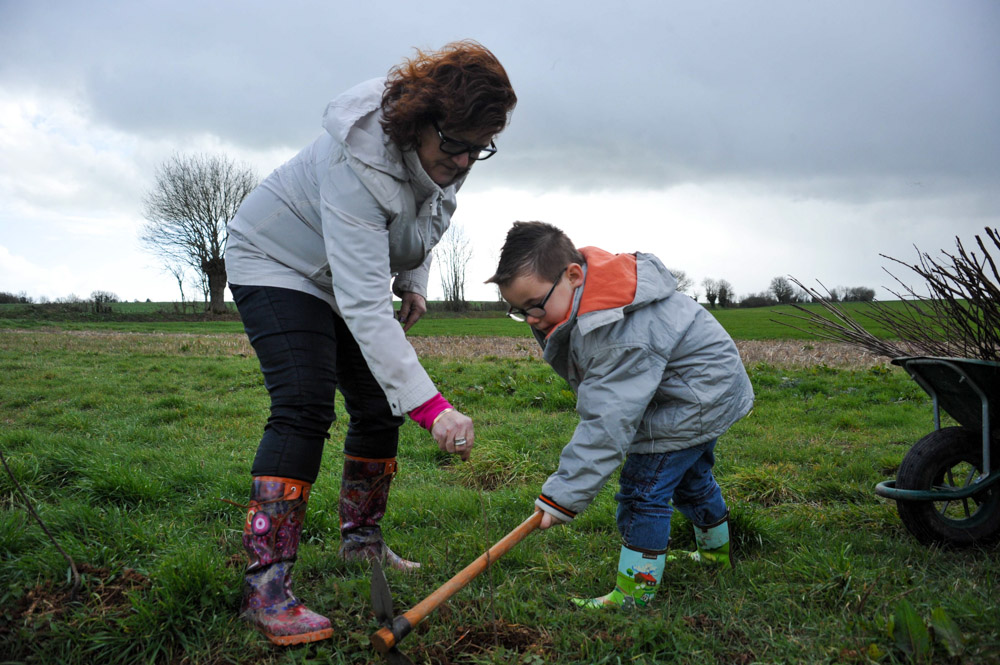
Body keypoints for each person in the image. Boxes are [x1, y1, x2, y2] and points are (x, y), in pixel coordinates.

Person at [225, 41, 516, 645]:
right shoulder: (356, 163)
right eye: (455, 144)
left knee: (380, 404)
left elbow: (420, 223)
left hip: (338, 274)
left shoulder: (441, 158)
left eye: (477, 149)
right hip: (276, 261)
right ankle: (266, 587)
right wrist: (433, 409)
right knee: (304, 404)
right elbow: (363, 305)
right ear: (419, 123)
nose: (463, 161)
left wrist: (412, 282)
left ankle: (361, 543)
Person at [486, 221, 754, 610]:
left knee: (643, 491)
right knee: (692, 479)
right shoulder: (594, 295)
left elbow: (607, 423)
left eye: (534, 306)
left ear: (573, 275)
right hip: (707, 391)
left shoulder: (617, 331)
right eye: (517, 311)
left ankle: (634, 595)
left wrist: (563, 496)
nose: (529, 319)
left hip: (692, 401)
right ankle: (713, 557)